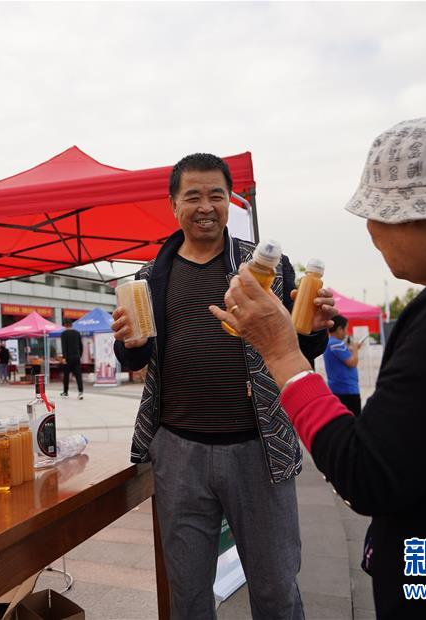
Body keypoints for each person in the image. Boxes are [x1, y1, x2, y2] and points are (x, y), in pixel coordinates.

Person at [210, 117, 426, 619]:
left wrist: (281, 352)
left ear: (413, 216)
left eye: (374, 215)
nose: (371, 232)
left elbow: (366, 474)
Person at [112, 153, 336, 619]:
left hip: (258, 450)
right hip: (178, 452)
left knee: (275, 588)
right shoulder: (151, 277)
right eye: (192, 195)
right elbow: (137, 357)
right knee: (188, 593)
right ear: (173, 204)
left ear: (229, 202)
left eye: (216, 195)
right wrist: (128, 343)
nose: (206, 206)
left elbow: (299, 344)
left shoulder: (266, 269)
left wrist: (314, 328)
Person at [322, 314, 361, 415]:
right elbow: (352, 363)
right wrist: (355, 349)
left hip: (336, 389)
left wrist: (351, 349)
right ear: (339, 329)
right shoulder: (337, 344)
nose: (346, 332)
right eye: (346, 329)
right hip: (347, 390)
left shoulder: (329, 343)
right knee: (354, 420)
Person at [60, 320, 84, 399]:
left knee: (66, 376)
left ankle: (65, 392)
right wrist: (79, 355)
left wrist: (64, 357)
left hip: (68, 358)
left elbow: (64, 347)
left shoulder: (64, 334)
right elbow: (81, 346)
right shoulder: (77, 333)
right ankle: (80, 392)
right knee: (78, 376)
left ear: (65, 325)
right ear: (71, 325)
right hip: (76, 357)